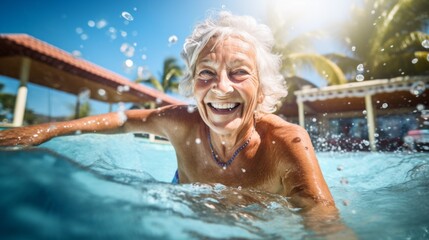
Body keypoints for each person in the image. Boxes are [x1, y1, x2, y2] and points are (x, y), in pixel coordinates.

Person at [0, 11, 337, 217]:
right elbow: (122, 120)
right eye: (206, 73)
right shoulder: (182, 123)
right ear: (193, 86)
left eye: (239, 72)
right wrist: (44, 131)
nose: (220, 87)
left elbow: (324, 220)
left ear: (262, 89)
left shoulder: (286, 144)